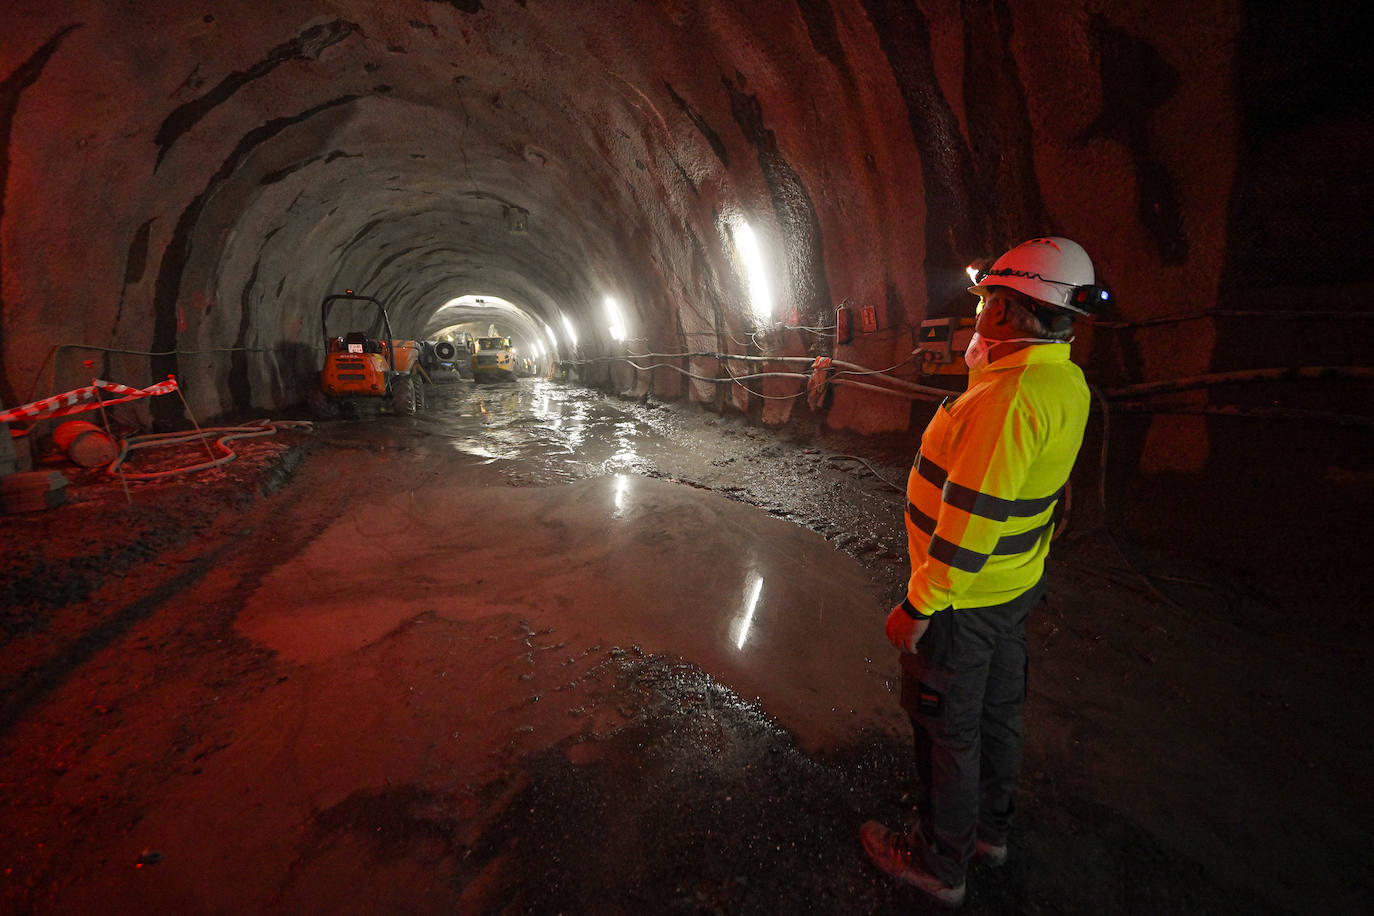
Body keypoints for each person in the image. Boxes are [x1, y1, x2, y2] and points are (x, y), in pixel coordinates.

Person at [861, 237, 1106, 907]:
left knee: (947, 729)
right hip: (1012, 589)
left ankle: (939, 863)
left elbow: (968, 526)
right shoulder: (1062, 380)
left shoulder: (1007, 401)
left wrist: (918, 607)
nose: (977, 315)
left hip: (963, 604)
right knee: (996, 715)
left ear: (1009, 311)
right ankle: (985, 834)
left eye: (986, 301)